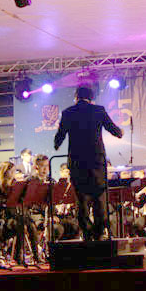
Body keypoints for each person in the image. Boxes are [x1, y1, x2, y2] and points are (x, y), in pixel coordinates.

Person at [53, 85, 125, 241]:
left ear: (76, 97)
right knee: (100, 198)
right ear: (91, 98)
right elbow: (115, 131)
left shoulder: (68, 113)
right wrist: (121, 132)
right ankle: (99, 233)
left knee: (82, 199)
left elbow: (59, 137)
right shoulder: (98, 110)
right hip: (96, 162)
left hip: (77, 163)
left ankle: (86, 233)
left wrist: (57, 144)